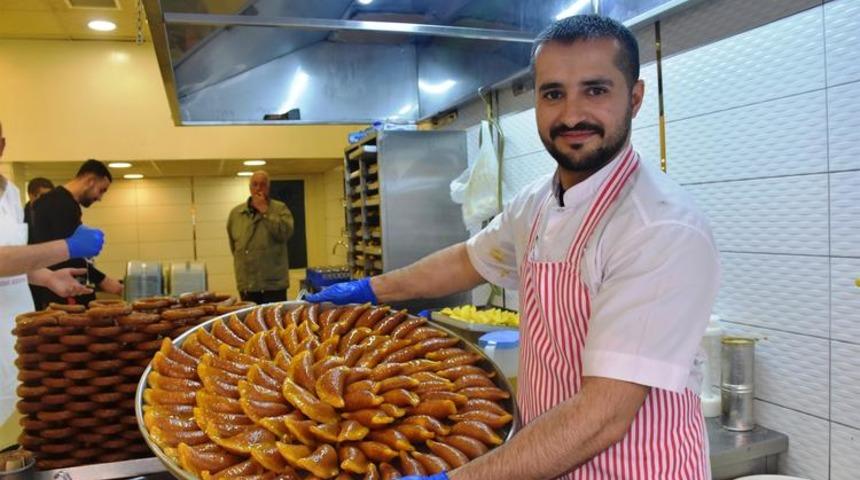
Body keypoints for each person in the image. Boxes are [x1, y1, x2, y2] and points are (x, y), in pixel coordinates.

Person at [307, 15, 720, 480]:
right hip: (543, 459)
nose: (570, 115)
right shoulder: (538, 203)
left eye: (596, 90)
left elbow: (604, 415)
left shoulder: (659, 226)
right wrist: (370, 290)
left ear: (636, 98)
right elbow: (469, 260)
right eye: (553, 93)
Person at [0, 121, 104, 446]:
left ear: (2, 144)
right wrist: (67, 248)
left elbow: (14, 258)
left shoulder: (12, 194)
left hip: (12, 337)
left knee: (11, 428)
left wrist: (48, 276)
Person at [30, 159, 123, 310]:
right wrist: (103, 280)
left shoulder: (63, 203)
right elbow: (66, 253)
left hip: (62, 285)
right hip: (61, 290)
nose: (100, 198)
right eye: (101, 190)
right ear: (90, 181)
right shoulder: (60, 204)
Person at [227, 170, 294, 304]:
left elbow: (285, 233)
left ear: (268, 188)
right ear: (250, 188)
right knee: (250, 322)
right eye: (255, 184)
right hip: (247, 285)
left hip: (273, 286)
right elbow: (234, 247)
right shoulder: (236, 214)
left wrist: (265, 211)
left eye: (263, 185)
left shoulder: (280, 209)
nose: (258, 188)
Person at [23, 177, 53, 241]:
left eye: (50, 196)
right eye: (44, 196)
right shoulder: (20, 216)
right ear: (31, 195)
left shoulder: (56, 212)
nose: (48, 199)